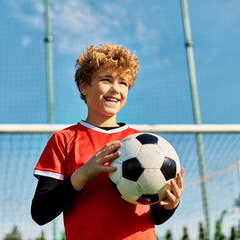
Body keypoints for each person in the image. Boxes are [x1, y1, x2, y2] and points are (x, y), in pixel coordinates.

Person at [31, 43, 184, 240]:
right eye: (106, 79)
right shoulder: (64, 140)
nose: (115, 89)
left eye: (123, 83)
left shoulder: (145, 143)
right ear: (84, 86)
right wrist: (83, 175)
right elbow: (40, 213)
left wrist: (170, 205)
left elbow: (153, 216)